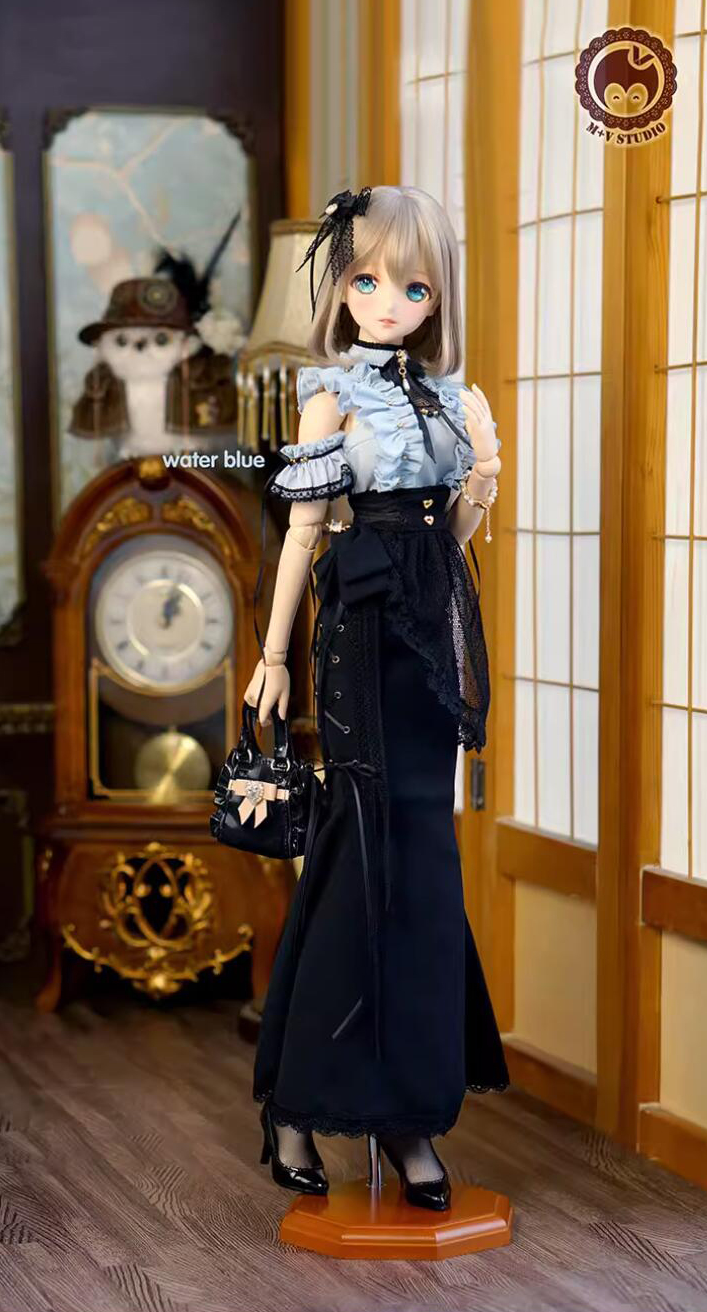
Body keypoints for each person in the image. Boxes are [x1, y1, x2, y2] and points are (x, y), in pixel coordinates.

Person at [247, 185, 509, 1212]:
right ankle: (301, 1102)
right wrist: (273, 655)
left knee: (425, 860)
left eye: (411, 286)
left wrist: (479, 479)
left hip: (432, 634)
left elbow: (453, 538)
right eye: (365, 280)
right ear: (340, 288)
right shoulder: (332, 397)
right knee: (360, 857)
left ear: (436, 295)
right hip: (356, 635)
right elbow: (304, 533)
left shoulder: (450, 398)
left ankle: (407, 1115)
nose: (387, 301)